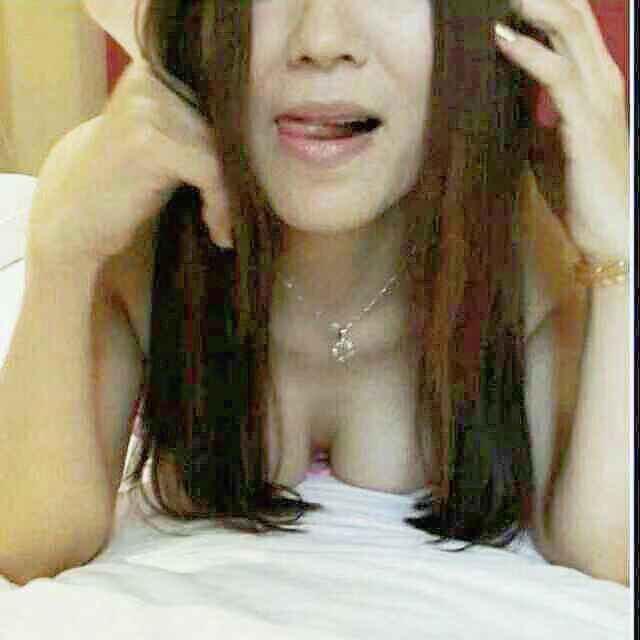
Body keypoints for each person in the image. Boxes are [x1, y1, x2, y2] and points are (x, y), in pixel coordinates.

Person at [0, 0, 629, 587]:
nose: (323, 41)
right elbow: (29, 546)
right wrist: (62, 256)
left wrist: (618, 249)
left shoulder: (529, 235)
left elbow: (608, 549)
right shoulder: (134, 215)